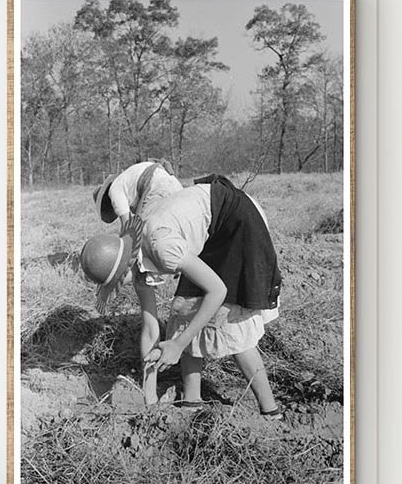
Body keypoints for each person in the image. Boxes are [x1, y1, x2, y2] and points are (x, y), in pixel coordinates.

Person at [82, 175, 283, 418]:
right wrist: (150, 397)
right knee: (183, 311)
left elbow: (218, 291)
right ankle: (192, 402)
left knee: (230, 320)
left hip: (237, 221)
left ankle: (270, 411)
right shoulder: (133, 259)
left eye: (115, 284)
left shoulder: (161, 246)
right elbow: (150, 329)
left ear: (122, 267)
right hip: (208, 233)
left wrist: (178, 345)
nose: (120, 289)